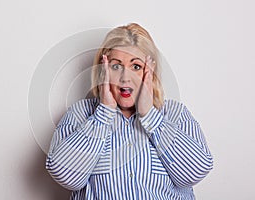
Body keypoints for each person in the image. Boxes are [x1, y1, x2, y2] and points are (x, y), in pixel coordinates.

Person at [46, 23, 213, 199]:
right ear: (104, 70)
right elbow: (65, 176)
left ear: (150, 72)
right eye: (116, 66)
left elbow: (196, 172)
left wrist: (149, 114)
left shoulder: (175, 114)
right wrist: (103, 113)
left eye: (136, 67)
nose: (125, 78)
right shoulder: (80, 113)